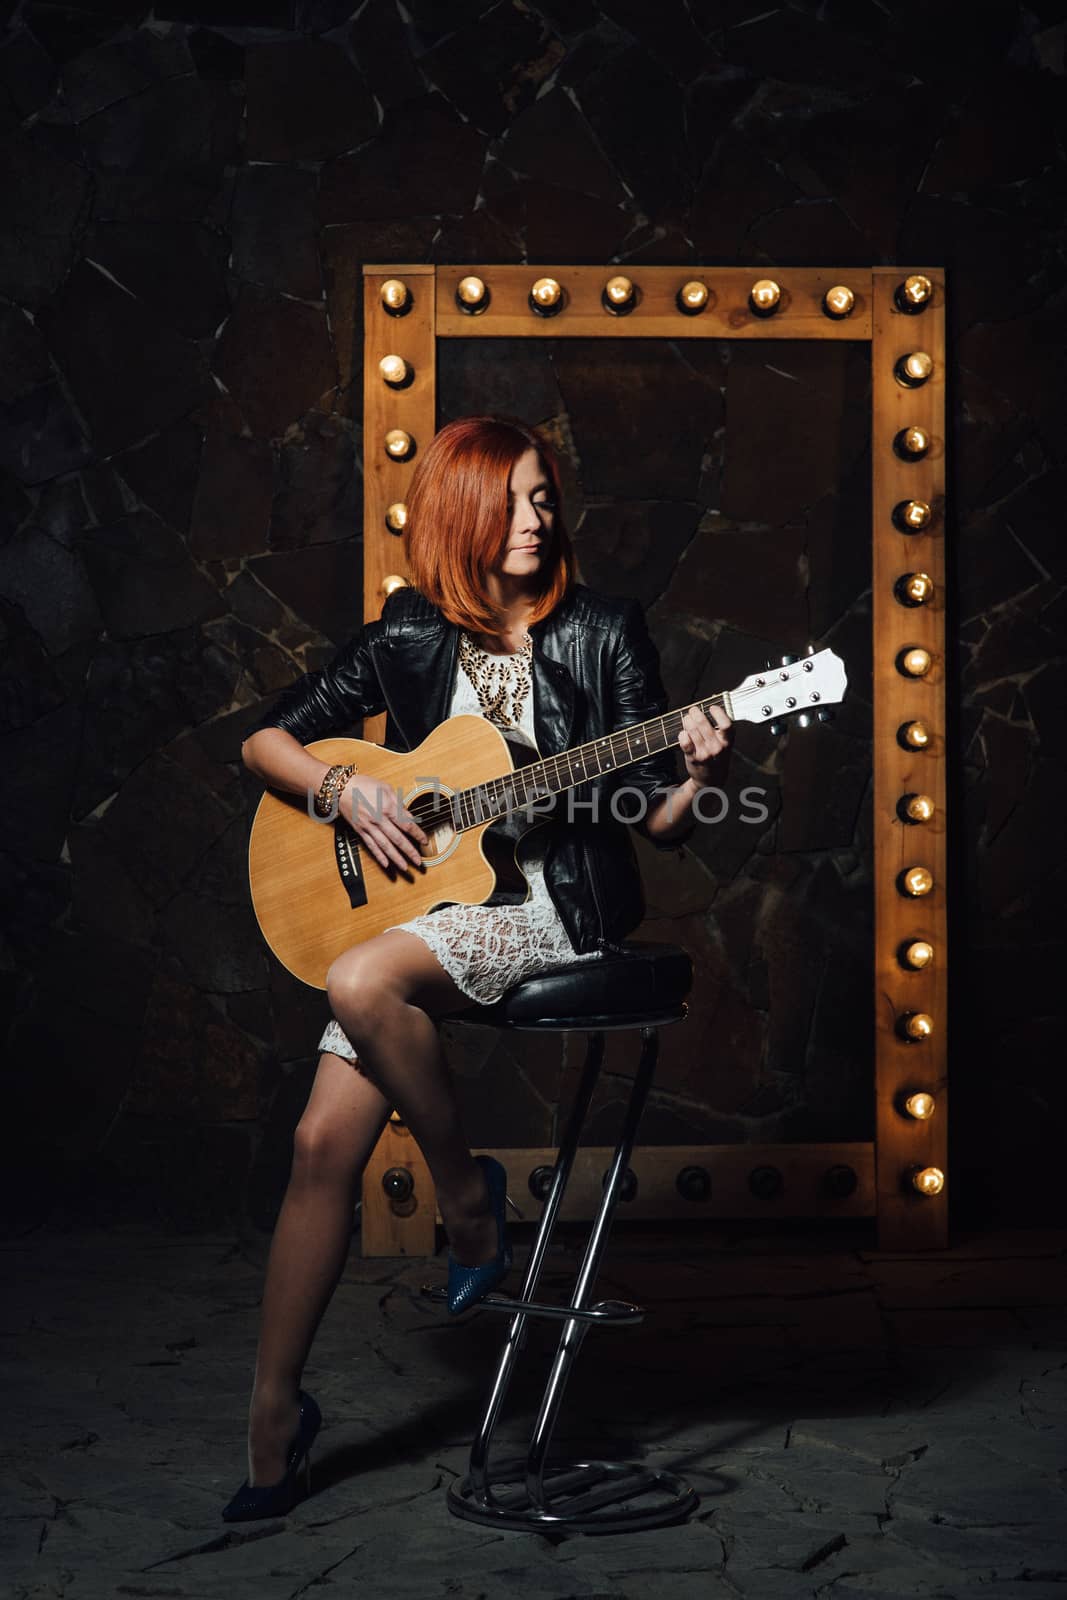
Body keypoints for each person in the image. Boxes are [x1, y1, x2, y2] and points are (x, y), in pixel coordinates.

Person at [221, 415, 732, 1520]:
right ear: (461, 511)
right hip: (421, 913)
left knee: (359, 981)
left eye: (544, 496)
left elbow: (658, 819)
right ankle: (273, 1416)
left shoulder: (603, 630)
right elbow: (267, 741)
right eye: (512, 498)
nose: (535, 517)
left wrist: (696, 768)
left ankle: (465, 1194)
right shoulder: (408, 637)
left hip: (549, 909)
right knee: (318, 1144)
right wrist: (344, 791)